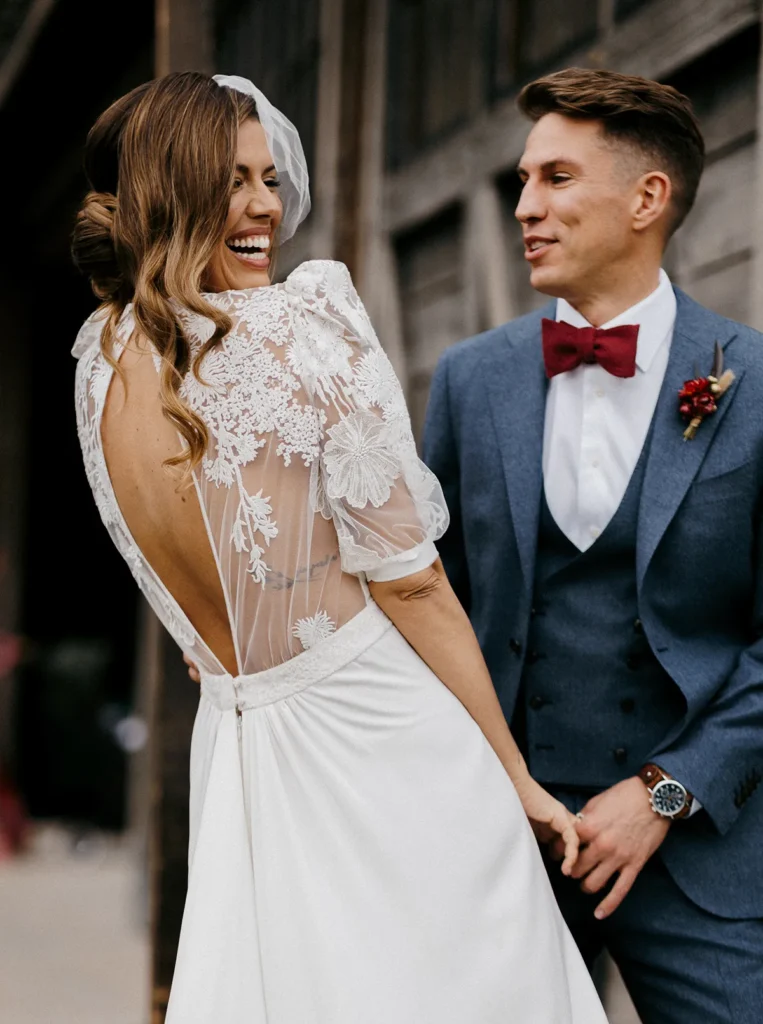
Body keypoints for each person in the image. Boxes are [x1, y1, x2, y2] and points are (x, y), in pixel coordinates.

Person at [70, 71, 606, 1022]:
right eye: (234, 178)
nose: (265, 207)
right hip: (379, 743)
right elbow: (413, 583)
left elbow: (206, 599)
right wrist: (514, 776)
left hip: (242, 752)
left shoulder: (100, 362)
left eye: (271, 179)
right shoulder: (299, 325)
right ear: (172, 186)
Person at [424, 66, 763, 1023]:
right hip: (499, 846)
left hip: (701, 855)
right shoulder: (468, 381)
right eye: (524, 180)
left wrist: (661, 794)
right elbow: (421, 592)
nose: (524, 207)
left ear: (646, 198)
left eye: (556, 179)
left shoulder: (755, 386)